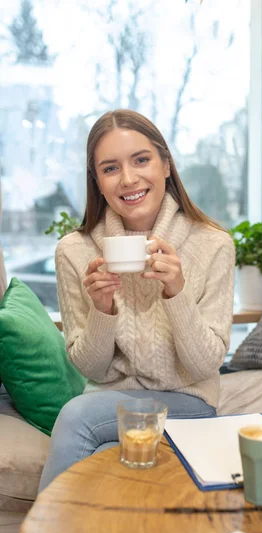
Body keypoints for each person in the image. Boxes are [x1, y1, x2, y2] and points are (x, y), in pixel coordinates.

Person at [39, 109, 235, 491]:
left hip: (187, 401)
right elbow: (92, 369)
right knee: (104, 464)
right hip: (110, 405)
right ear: (96, 181)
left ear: (165, 164)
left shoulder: (213, 244)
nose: (129, 179)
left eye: (141, 160)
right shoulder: (74, 251)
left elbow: (204, 366)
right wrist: (102, 309)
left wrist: (176, 293)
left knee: (77, 416)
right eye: (110, 168)